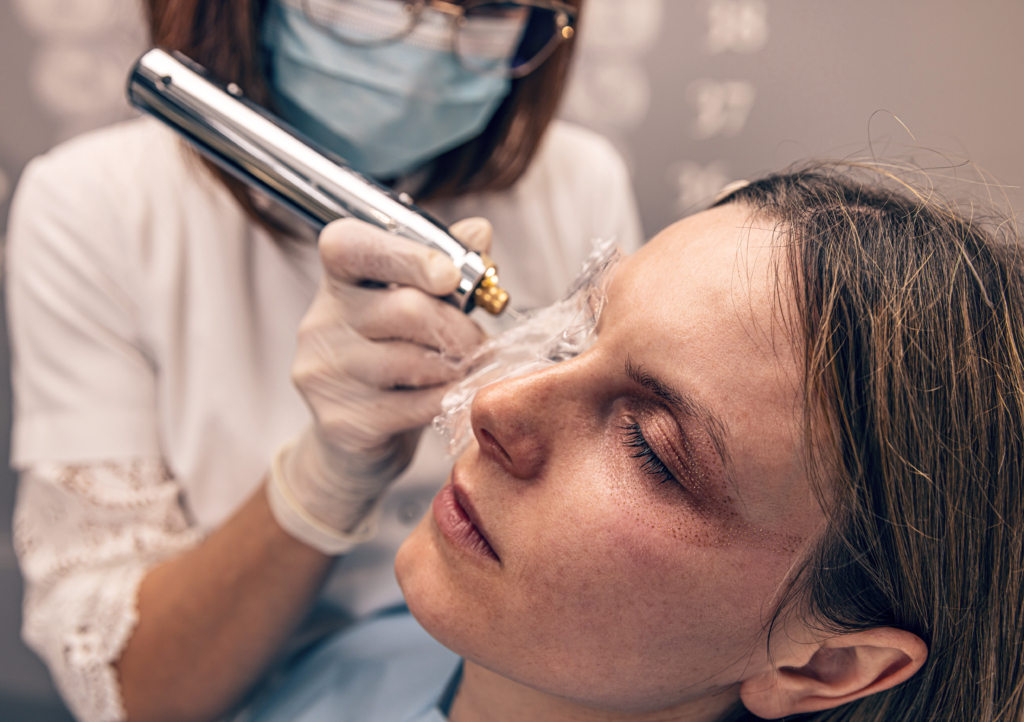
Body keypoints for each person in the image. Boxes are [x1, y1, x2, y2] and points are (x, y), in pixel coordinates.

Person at [6, 1, 642, 721]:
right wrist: (323, 479)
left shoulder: (582, 182)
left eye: (489, 5)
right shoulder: (91, 208)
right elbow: (136, 691)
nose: (433, 35)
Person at [238, 165, 1024, 722]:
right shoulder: (376, 651)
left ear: (825, 665)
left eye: (649, 448)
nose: (494, 406)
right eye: (574, 335)